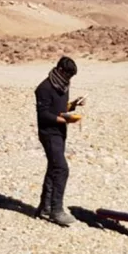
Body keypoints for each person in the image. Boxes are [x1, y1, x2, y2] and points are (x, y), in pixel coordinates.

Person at [34, 56, 86, 226]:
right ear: (61, 71)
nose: (70, 79)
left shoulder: (62, 86)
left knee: (53, 168)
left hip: (60, 133)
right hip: (49, 134)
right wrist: (66, 120)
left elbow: (61, 108)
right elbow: (44, 114)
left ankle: (45, 207)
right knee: (62, 169)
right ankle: (57, 210)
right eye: (69, 75)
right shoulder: (44, 88)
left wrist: (73, 105)